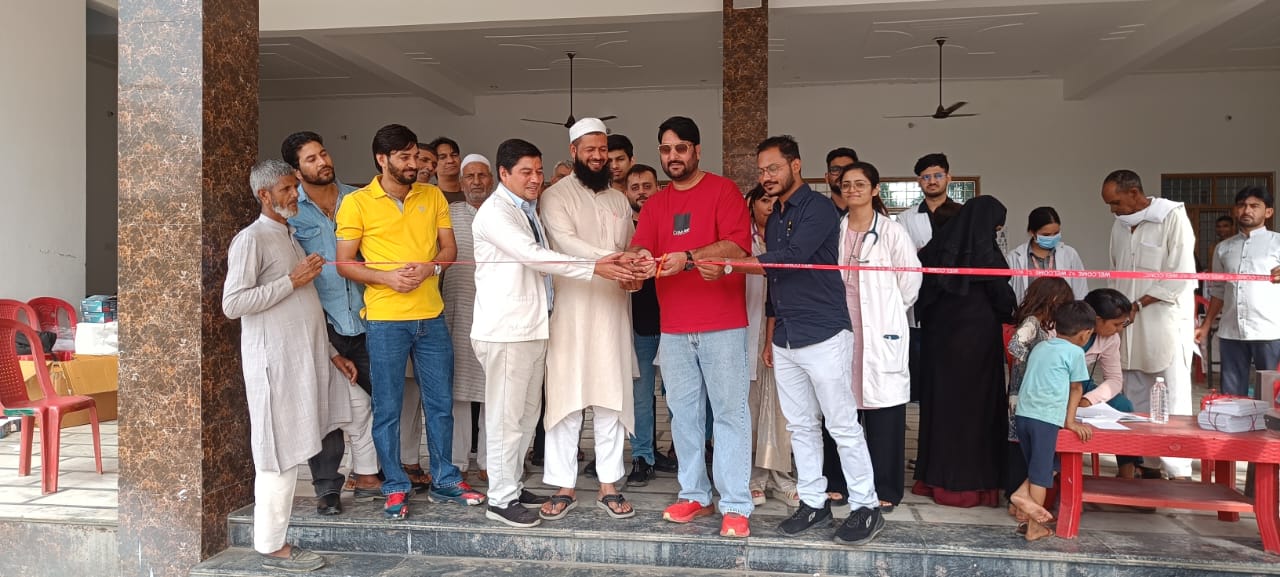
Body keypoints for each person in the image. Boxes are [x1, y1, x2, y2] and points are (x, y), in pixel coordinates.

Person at [719, 136, 885, 545]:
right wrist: (771, 333)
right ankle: (813, 501)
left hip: (824, 332)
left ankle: (866, 506)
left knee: (841, 423)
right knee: (800, 426)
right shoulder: (775, 216)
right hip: (787, 336)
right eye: (761, 171)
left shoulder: (820, 209)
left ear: (796, 165)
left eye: (773, 168)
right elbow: (777, 280)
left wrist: (731, 265)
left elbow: (792, 258)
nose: (766, 177)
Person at [471, 138, 636, 528]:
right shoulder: (496, 212)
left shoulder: (527, 209)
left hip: (533, 327)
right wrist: (596, 266)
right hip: (506, 330)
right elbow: (534, 256)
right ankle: (500, 499)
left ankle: (511, 486)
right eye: (525, 172)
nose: (534, 179)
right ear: (504, 173)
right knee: (506, 418)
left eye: (538, 171)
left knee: (526, 416)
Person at [223, 159, 373, 573]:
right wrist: (291, 280)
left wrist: (331, 353)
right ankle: (272, 546)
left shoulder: (288, 233)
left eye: (295, 187)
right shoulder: (251, 239)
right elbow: (233, 303)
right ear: (264, 195)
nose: (296, 195)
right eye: (287, 189)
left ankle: (365, 478)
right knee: (280, 455)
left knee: (356, 408)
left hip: (311, 359)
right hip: (277, 366)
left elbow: (304, 305)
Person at [335, 124, 484, 519]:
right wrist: (386, 278)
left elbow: (449, 248)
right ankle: (396, 486)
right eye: (404, 157)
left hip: (431, 316)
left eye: (415, 155)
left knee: (440, 404)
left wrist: (431, 267)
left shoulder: (432, 195)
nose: (413, 163)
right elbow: (345, 263)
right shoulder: (356, 203)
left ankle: (446, 480)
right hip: (385, 320)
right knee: (388, 408)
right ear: (382, 159)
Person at [627, 115, 755, 538]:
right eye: (666, 150)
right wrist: (637, 259)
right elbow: (643, 245)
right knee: (683, 416)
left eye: (680, 148)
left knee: (729, 414)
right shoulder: (656, 204)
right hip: (675, 327)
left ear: (697, 150)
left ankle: (735, 504)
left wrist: (688, 256)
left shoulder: (723, 190)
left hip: (723, 324)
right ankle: (695, 495)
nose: (673, 156)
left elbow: (737, 245)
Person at [538, 119, 639, 521]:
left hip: (612, 310)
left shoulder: (619, 200)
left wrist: (633, 270)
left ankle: (608, 484)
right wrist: (614, 260)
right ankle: (563, 485)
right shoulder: (555, 196)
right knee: (566, 398)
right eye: (590, 150)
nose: (598, 157)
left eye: (602, 150)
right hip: (570, 312)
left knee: (612, 397)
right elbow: (565, 243)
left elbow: (629, 246)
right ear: (574, 151)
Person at [281, 131, 383, 513]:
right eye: (311, 159)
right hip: (323, 323)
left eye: (323, 154)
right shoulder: (292, 211)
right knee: (325, 409)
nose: (322, 162)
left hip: (370, 316)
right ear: (296, 170)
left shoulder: (360, 199)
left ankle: (374, 475)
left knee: (380, 401)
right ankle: (327, 488)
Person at [913, 195, 1017, 508]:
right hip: (978, 350)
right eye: (996, 227)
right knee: (976, 413)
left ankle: (934, 479)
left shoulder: (934, 250)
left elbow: (921, 298)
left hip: (939, 346)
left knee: (941, 409)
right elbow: (1003, 301)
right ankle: (973, 484)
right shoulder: (987, 255)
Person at [836, 161, 921, 513]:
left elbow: (911, 280)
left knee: (884, 413)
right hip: (843, 330)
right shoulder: (837, 229)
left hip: (881, 331)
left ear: (874, 190)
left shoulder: (891, 231)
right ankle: (839, 482)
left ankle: (885, 486)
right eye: (846, 184)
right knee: (840, 411)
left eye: (860, 184)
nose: (852, 190)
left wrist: (888, 312)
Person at [1102, 169, 1196, 480]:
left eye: (1116, 202)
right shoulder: (1119, 225)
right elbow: (1115, 270)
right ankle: (1147, 463)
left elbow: (1180, 274)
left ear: (1134, 193)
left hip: (1163, 321)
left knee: (1171, 394)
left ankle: (1178, 470)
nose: (1113, 210)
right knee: (1134, 392)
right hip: (1127, 323)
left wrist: (1139, 304)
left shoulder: (1171, 216)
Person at [1011, 300, 1096, 541]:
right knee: (1041, 473)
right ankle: (1034, 526)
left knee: (1050, 464)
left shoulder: (1041, 346)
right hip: (1045, 419)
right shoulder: (1075, 352)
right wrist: (1071, 422)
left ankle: (1021, 495)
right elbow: (1077, 388)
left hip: (1024, 415)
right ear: (1085, 333)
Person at [743, 184, 798, 508]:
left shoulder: (788, 238)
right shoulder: (741, 239)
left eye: (775, 201)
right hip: (746, 326)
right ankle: (752, 477)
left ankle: (781, 475)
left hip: (781, 326)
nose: (770, 206)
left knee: (780, 406)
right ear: (751, 204)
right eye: (764, 200)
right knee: (748, 406)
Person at [622, 164, 677, 484]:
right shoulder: (621, 229)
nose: (642, 192)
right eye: (635, 187)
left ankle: (682, 451)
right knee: (640, 397)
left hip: (674, 323)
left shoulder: (671, 222)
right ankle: (642, 456)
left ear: (658, 188)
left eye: (647, 185)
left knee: (678, 394)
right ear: (626, 192)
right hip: (637, 325)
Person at [443, 154, 497, 482]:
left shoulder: (502, 211)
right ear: (461, 183)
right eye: (470, 176)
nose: (476, 182)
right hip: (457, 309)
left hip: (496, 312)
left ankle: (490, 463)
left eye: (482, 175)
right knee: (458, 392)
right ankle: (457, 462)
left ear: (492, 180)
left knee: (494, 390)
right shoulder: (448, 213)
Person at [1198, 187, 1280, 397]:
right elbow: (1219, 290)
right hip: (1231, 330)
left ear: (1268, 212)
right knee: (1232, 398)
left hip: (1269, 331)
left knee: (1270, 396)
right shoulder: (1223, 248)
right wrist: (1206, 326)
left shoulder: (1277, 243)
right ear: (1235, 210)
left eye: (1254, 206)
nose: (1247, 210)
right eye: (1242, 205)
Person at [1004, 277, 1075, 508]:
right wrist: (1036, 361)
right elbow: (1015, 345)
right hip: (1024, 393)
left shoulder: (1043, 326)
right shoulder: (1032, 322)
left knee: (1039, 454)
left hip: (1032, 392)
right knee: (1024, 448)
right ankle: (1019, 500)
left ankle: (1022, 497)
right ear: (1053, 299)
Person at [1076, 289, 1142, 479]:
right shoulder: (1064, 327)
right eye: (1116, 324)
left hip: (1081, 383)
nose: (1120, 329)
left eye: (1123, 323)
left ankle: (1127, 473)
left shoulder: (1110, 338)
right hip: (1055, 383)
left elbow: (1114, 380)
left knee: (1123, 405)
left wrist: (1089, 400)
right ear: (1097, 320)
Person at [1005, 207, 1088, 303]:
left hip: (1063, 311)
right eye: (1046, 235)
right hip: (1029, 312)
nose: (1052, 238)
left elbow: (1080, 291)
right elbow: (1008, 296)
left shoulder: (1070, 254)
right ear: (1032, 233)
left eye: (1056, 233)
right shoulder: (1014, 258)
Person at [823, 147, 858, 214]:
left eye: (848, 169)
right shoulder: (817, 212)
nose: (842, 174)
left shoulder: (869, 213)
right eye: (835, 170)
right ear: (827, 178)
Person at [430, 136, 464, 203]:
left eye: (454, 155)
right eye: (442, 157)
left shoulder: (473, 192)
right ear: (432, 165)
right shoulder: (428, 195)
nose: (450, 160)